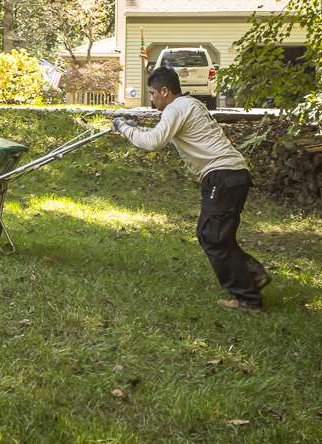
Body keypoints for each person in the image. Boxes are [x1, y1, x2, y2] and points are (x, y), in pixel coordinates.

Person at [113, 66, 270, 311]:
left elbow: (154, 142)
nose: (152, 98)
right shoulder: (189, 104)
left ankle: (248, 298)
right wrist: (134, 127)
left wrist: (124, 127)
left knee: (212, 237)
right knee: (218, 236)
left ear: (165, 91)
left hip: (223, 176)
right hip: (232, 175)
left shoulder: (176, 108)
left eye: (153, 93)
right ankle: (253, 274)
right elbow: (158, 134)